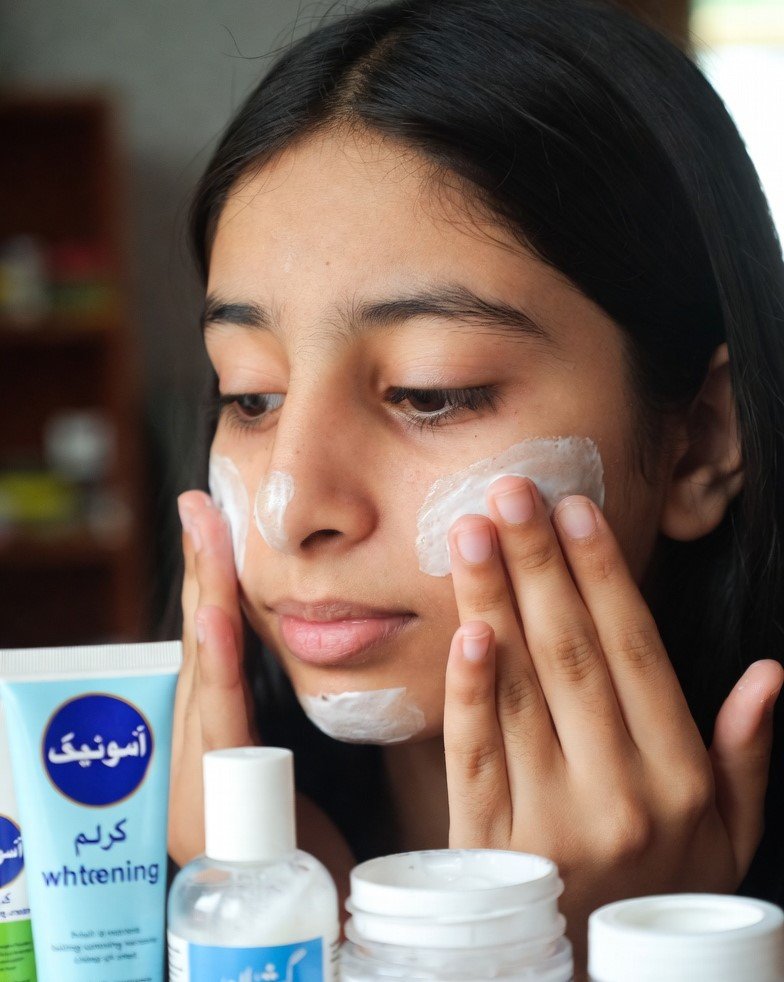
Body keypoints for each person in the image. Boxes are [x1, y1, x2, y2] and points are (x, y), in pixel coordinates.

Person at [166, 0, 784, 972]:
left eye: (431, 391)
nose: (291, 504)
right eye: (249, 396)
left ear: (698, 440)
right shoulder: (133, 890)